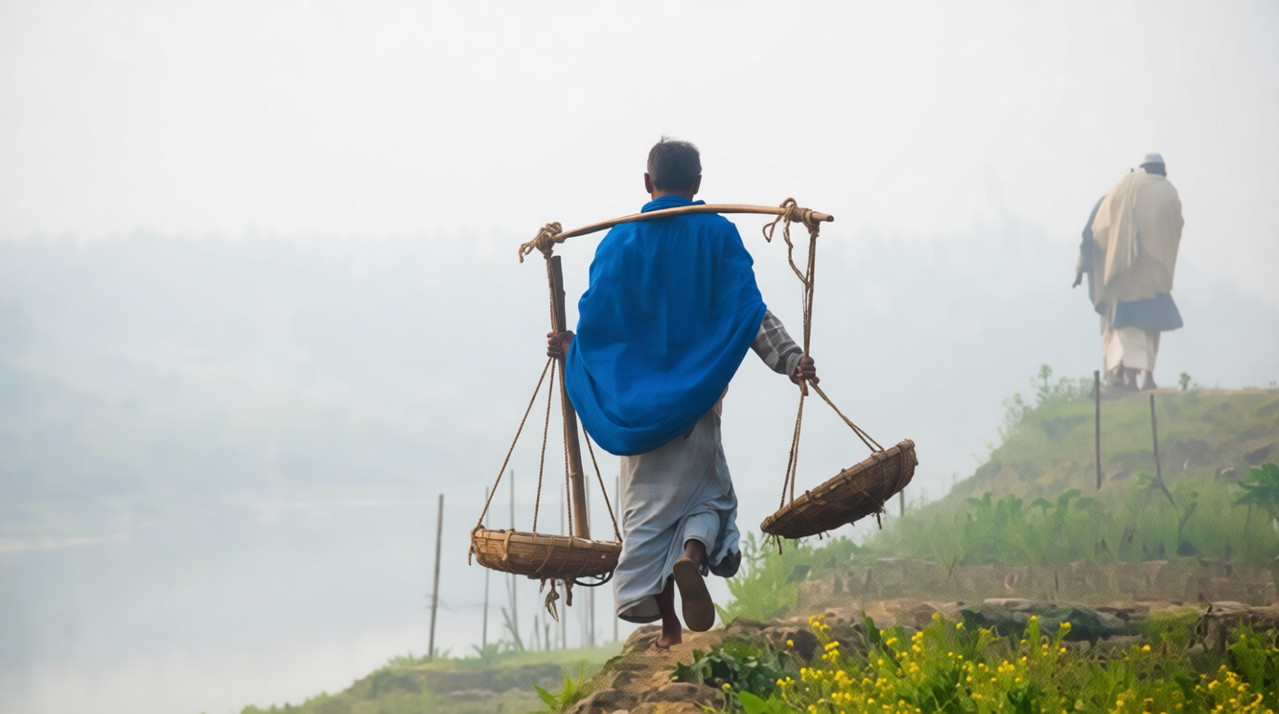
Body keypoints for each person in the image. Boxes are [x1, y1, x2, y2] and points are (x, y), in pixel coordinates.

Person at [546, 138, 817, 648]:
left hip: (635, 408)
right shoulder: (717, 233)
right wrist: (790, 360)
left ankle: (670, 626)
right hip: (698, 399)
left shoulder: (619, 242)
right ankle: (692, 556)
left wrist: (571, 348)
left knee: (648, 511)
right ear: (697, 183)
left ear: (648, 182)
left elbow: (599, 323)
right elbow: (749, 312)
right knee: (708, 497)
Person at [1074, 153, 1184, 390]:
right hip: (1155, 279)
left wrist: (1082, 267)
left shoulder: (1125, 189)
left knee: (1128, 330)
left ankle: (1130, 379)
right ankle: (1145, 377)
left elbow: (1093, 232)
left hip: (1126, 280)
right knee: (1150, 332)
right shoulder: (1169, 194)